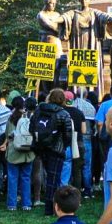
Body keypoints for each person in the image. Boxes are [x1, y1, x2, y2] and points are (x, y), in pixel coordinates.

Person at [33, 88, 76, 216]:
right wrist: (64, 145)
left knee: (48, 176)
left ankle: (50, 205)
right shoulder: (64, 114)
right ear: (63, 99)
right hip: (57, 149)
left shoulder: (39, 110)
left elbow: (32, 126)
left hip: (42, 148)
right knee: (54, 178)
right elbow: (68, 133)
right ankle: (51, 208)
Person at [3, 95, 36, 211]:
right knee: (26, 177)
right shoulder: (30, 117)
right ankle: (26, 203)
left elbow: (7, 134)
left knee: (12, 178)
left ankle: (12, 204)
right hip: (28, 151)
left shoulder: (11, 118)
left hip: (14, 151)